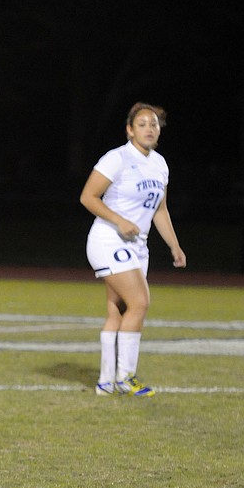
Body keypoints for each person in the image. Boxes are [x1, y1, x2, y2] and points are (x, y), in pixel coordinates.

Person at [80, 102, 186, 397]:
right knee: (140, 302)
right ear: (129, 130)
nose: (149, 129)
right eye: (142, 124)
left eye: (153, 124)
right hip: (108, 240)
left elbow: (160, 210)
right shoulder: (117, 158)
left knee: (119, 310)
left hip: (137, 246)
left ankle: (105, 381)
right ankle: (126, 377)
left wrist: (174, 246)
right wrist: (119, 220)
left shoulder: (160, 164)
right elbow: (88, 197)